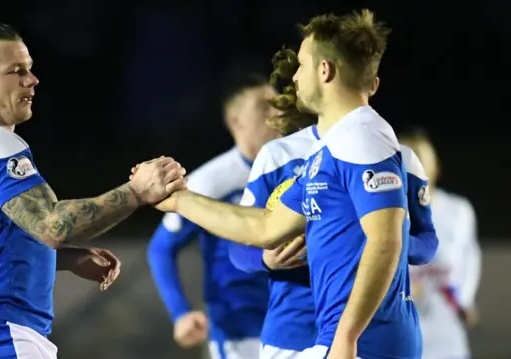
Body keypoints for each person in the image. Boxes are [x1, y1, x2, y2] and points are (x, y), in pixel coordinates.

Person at [147, 9, 422, 359]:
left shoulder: (363, 136)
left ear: (325, 71)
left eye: (303, 64)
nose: (294, 76)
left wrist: (346, 337)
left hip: (361, 343)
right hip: (323, 337)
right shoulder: (330, 148)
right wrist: (177, 201)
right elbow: (266, 226)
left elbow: (385, 240)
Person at [0, 23, 186, 359]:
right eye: (16, 71)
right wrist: (137, 192)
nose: (32, 80)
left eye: (30, 69)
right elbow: (53, 226)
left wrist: (64, 259)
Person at [226, 48, 438, 359]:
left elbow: (428, 242)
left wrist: (381, 238)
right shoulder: (278, 156)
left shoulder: (399, 158)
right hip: (293, 332)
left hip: (371, 332)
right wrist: (267, 259)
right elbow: (239, 248)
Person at [146, 72, 281, 358]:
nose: (276, 112)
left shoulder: (296, 168)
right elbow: (161, 247)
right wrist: (180, 312)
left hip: (297, 323)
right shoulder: (210, 181)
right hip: (239, 331)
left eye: (278, 103)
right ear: (236, 121)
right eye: (263, 107)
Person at [400, 128, 481, 359]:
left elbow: (470, 258)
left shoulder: (457, 210)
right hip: (400, 334)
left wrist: (465, 300)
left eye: (421, 159)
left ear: (435, 165)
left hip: (446, 335)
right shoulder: (380, 216)